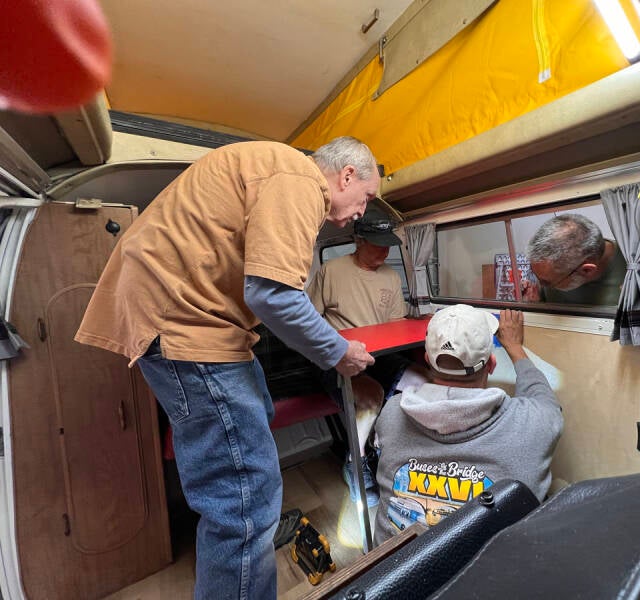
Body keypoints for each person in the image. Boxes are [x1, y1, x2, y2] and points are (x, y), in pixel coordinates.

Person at [74, 136, 379, 600]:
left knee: (255, 427)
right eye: (366, 198)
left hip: (198, 325)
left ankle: (248, 553)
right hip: (188, 325)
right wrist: (339, 352)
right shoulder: (299, 178)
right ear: (347, 176)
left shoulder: (277, 172)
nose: (362, 211)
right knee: (244, 500)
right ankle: (246, 551)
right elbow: (274, 295)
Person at [371, 305, 563, 545]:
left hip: (393, 565)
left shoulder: (392, 412)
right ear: (491, 364)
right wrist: (514, 347)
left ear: (427, 360)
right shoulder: (533, 422)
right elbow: (542, 396)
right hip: (485, 567)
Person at [306, 216, 429, 507]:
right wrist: (335, 350)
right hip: (338, 357)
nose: (385, 252)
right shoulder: (331, 271)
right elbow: (309, 321)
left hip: (380, 356)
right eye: (378, 245)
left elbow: (396, 324)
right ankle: (356, 460)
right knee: (372, 396)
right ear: (358, 241)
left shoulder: (390, 276)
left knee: (425, 381)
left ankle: (401, 451)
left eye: (388, 246)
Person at [522, 214, 640, 308]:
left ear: (587, 270)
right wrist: (537, 304)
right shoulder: (553, 271)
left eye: (547, 283)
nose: (541, 284)